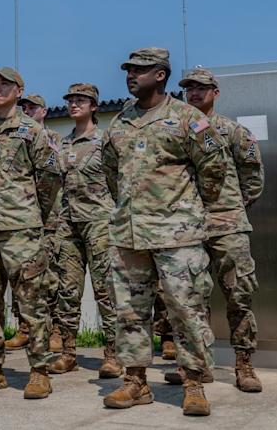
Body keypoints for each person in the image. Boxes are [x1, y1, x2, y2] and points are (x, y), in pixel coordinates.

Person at [100, 48, 225, 418]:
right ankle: (135, 381)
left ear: (160, 75)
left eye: (139, 70)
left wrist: (187, 210)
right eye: (128, 70)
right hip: (129, 235)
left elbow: (213, 169)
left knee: (186, 310)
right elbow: (111, 173)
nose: (130, 76)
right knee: (130, 312)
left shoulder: (187, 118)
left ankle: (194, 383)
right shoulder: (120, 122)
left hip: (177, 235)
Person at [0, 67, 63, 400]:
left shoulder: (33, 130)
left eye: (5, 84)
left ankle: (39, 371)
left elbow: (50, 178)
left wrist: (32, 213)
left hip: (22, 231)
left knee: (32, 301)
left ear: (19, 91)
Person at [171, 67, 265, 393]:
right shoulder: (177, 130)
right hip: (188, 226)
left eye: (201, 88)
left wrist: (232, 209)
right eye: (189, 89)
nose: (194, 93)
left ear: (215, 92)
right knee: (191, 299)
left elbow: (253, 178)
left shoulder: (233, 131)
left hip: (227, 225)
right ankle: (198, 367)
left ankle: (244, 364)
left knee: (239, 294)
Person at [50, 83, 122, 378]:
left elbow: (118, 179)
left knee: (106, 290)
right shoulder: (62, 144)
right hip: (68, 223)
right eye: (70, 100)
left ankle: (113, 354)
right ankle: (68, 353)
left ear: (94, 106)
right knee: (67, 290)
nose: (73, 104)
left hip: (99, 223)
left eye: (81, 100)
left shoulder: (105, 141)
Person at [15, 94, 66, 357]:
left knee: (51, 277)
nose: (26, 110)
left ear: (44, 111)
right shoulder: (16, 138)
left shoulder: (53, 139)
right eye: (23, 107)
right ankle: (26, 328)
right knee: (23, 277)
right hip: (21, 219)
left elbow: (53, 177)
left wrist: (42, 211)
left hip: (48, 218)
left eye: (32, 107)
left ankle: (55, 330)